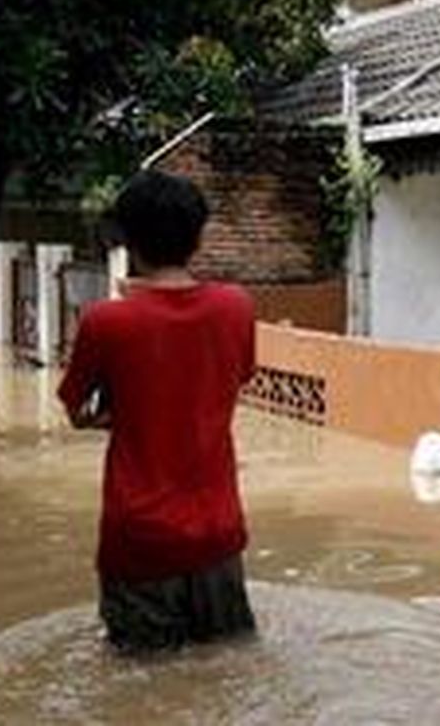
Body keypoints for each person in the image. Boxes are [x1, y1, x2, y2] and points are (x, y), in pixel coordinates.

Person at [58, 169, 257, 654]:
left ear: (126, 238)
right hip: (218, 536)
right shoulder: (236, 307)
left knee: (142, 688)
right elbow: (236, 379)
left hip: (141, 540)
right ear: (199, 235)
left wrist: (118, 414)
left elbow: (76, 410)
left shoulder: (106, 320)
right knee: (226, 671)